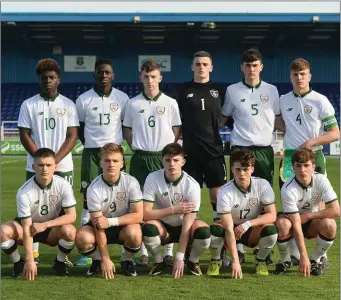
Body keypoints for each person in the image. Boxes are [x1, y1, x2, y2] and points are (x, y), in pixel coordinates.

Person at [220, 48, 284, 264]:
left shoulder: (272, 90)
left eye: (255, 65)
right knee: (237, 192)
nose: (251, 69)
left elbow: (278, 119)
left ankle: (261, 245)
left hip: (264, 149)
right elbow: (223, 117)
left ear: (261, 67)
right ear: (242, 67)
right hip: (239, 147)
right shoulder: (232, 90)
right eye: (247, 65)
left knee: (263, 196)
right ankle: (236, 245)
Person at [17, 58, 79, 265]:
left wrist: (54, 162)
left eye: (51, 78)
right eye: (44, 78)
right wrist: (40, 161)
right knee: (34, 209)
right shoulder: (29, 104)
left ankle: (62, 257)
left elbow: (72, 135)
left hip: (63, 167)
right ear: (39, 80)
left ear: (58, 80)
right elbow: (24, 134)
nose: (47, 81)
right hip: (35, 166)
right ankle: (32, 254)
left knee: (63, 210)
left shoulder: (68, 104)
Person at [278, 58, 340, 265]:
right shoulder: (283, 100)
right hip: (289, 158)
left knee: (316, 203)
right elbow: (279, 122)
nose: (299, 78)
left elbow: (335, 133)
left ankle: (321, 253)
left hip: (315, 156)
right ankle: (295, 251)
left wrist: (311, 141)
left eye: (303, 74)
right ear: (290, 77)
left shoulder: (320, 100)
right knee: (291, 202)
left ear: (309, 76)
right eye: (295, 75)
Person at [123, 59, 182, 266]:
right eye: (146, 76)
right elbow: (127, 130)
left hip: (162, 157)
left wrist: (166, 150)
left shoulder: (170, 102)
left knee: (167, 201)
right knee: (139, 204)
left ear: (160, 77)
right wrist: (136, 147)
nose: (150, 80)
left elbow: (176, 129)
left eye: (154, 76)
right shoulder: (132, 103)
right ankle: (143, 252)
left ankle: (167, 250)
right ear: (141, 78)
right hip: (140, 157)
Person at [75, 58, 129, 266]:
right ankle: (87, 251)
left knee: (121, 197)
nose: (104, 75)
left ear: (113, 75)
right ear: (94, 74)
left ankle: (127, 247)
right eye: (100, 72)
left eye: (107, 72)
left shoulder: (122, 98)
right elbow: (80, 128)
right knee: (88, 200)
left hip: (115, 153)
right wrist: (92, 146)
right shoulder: (83, 99)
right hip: (91, 153)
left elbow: (125, 125)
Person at [0, 148, 77, 279]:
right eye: (40, 165)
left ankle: (59, 262)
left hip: (51, 229)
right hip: (29, 228)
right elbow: (26, 226)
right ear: (33, 166)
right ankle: (19, 263)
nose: (44, 169)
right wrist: (30, 259)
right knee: (3, 231)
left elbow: (72, 216)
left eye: (48, 165)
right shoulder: (24, 192)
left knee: (70, 231)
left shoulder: (63, 185)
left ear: (55, 167)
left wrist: (46, 225)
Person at [174, 51, 229, 223]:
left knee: (218, 196)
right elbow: (176, 121)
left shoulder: (220, 90)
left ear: (211, 67)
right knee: (190, 198)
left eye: (205, 64)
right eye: (198, 64)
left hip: (214, 151)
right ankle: (192, 235)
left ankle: (219, 239)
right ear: (192, 67)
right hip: (190, 152)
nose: (201, 67)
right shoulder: (182, 90)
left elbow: (226, 117)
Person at [142, 143, 211, 278]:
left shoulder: (192, 185)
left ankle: (192, 260)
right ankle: (158, 261)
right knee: (148, 228)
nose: (171, 164)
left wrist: (179, 256)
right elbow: (145, 214)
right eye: (168, 160)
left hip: (185, 226)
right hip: (164, 226)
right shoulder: (152, 178)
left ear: (183, 162)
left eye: (176, 160)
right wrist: (174, 209)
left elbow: (187, 222)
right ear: (162, 161)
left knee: (204, 232)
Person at [75, 143, 143, 278]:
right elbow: (98, 224)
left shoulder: (131, 182)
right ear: (100, 163)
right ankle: (98, 260)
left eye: (115, 161)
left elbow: (138, 215)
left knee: (135, 233)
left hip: (123, 224)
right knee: (82, 238)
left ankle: (127, 260)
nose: (111, 164)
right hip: (100, 226)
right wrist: (105, 258)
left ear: (122, 163)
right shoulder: (93, 188)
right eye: (107, 160)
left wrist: (110, 221)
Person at [208, 148, 278, 277]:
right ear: (232, 169)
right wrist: (235, 261)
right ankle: (216, 259)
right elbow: (228, 228)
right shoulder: (224, 191)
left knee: (271, 231)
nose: (242, 173)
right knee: (214, 231)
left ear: (252, 169)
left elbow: (272, 215)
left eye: (246, 169)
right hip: (230, 230)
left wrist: (247, 224)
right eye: (238, 169)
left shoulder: (263, 185)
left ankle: (260, 260)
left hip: (250, 229)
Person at [275, 148, 339, 277]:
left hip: (312, 222)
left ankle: (315, 260)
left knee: (330, 224)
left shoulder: (321, 180)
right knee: (283, 224)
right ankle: (285, 259)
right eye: (298, 166)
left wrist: (309, 215)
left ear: (313, 166)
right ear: (293, 167)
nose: (302, 170)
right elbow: (296, 223)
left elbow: (336, 210)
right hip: (293, 224)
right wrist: (303, 255)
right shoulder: (288, 188)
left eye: (306, 165)